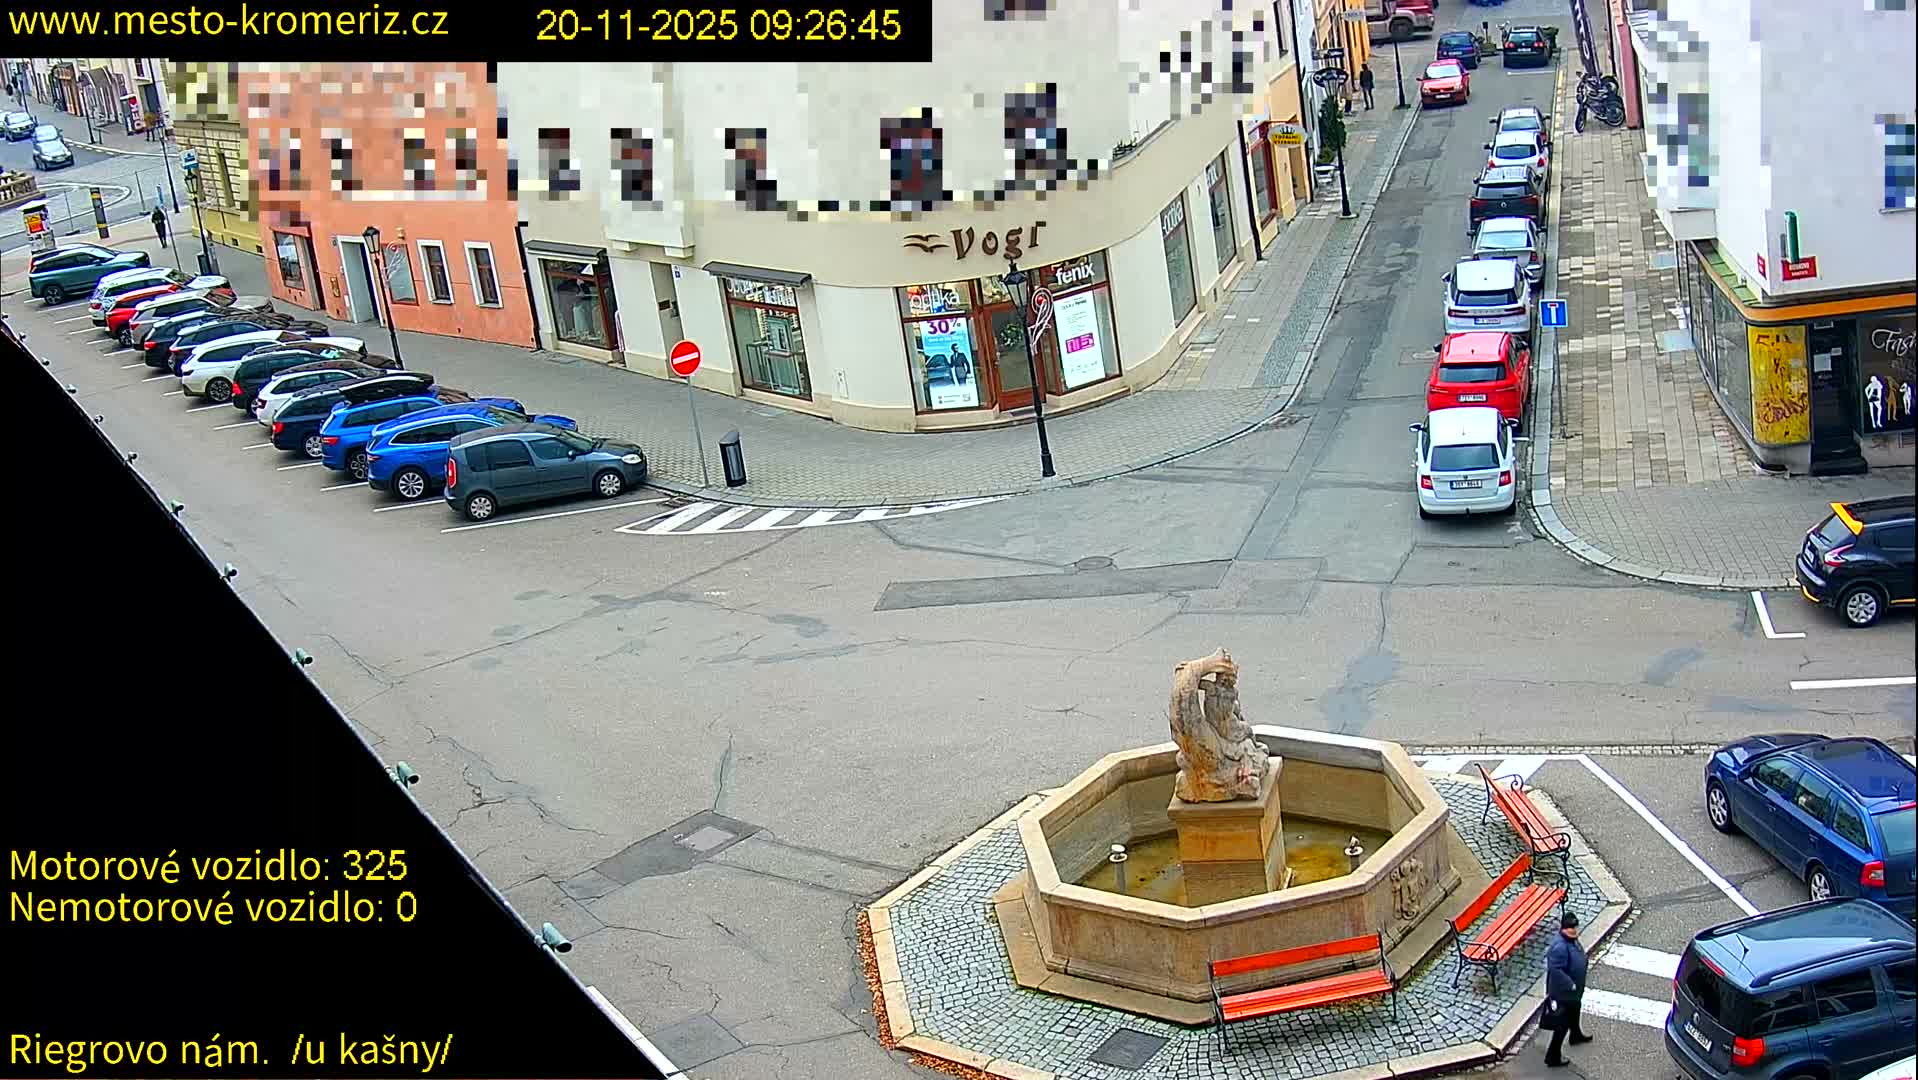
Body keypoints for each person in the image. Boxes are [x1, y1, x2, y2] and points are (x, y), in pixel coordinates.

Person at [1542, 910, 1592, 1067]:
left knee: (1576, 1009)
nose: (1574, 930)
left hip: (1573, 992)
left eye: (1575, 927)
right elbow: (1556, 970)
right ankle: (1552, 1056)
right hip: (1563, 993)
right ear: (1564, 928)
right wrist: (1570, 984)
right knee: (1561, 1025)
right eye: (1571, 927)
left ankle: (1575, 1035)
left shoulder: (1572, 940)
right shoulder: (1559, 947)